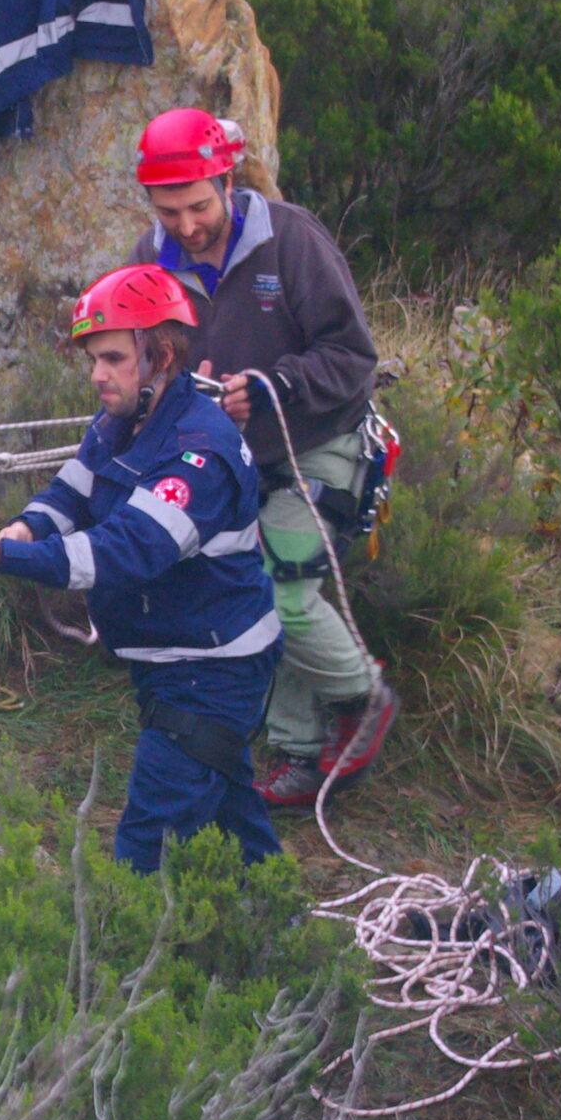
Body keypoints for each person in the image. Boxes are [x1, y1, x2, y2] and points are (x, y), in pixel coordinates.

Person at [0, 265, 281, 871]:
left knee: (146, 845)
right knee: (227, 810)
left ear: (161, 355)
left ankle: (115, 950)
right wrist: (29, 525)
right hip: (179, 658)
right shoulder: (123, 421)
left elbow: (122, 551)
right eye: (94, 358)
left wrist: (4, 556)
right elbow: (72, 491)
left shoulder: (200, 455)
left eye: (113, 357)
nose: (97, 375)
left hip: (212, 670)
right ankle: (279, 924)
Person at [129, 107, 395, 810]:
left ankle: (363, 698)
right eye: (168, 210)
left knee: (282, 585)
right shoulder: (150, 263)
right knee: (235, 584)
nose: (185, 226)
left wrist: (277, 385)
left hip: (321, 443)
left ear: (227, 180)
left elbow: (352, 357)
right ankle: (303, 753)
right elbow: (139, 369)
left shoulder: (292, 241)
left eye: (197, 206)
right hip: (230, 458)